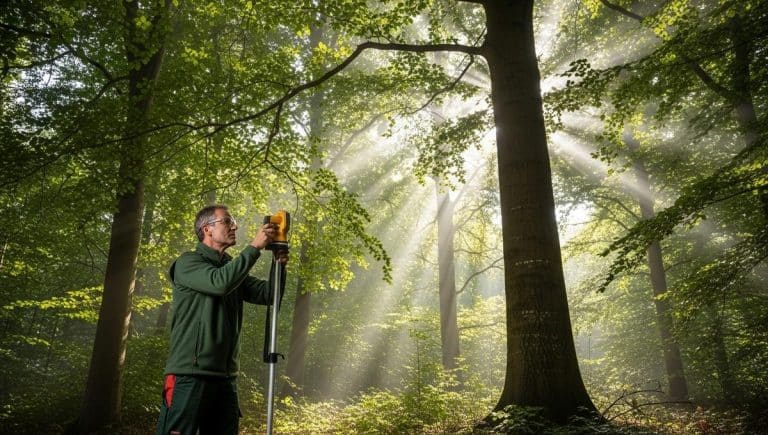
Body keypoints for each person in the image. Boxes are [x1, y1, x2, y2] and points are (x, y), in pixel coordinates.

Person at [156, 204, 288, 435]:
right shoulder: (187, 263)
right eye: (227, 221)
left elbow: (269, 295)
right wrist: (255, 246)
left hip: (225, 378)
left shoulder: (230, 267)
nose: (234, 226)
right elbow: (219, 283)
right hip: (190, 374)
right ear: (207, 229)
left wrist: (279, 265)